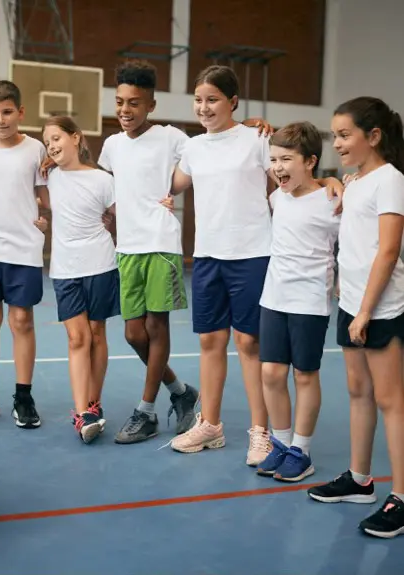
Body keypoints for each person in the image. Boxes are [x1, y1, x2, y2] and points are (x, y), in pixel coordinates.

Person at [169, 65, 343, 465]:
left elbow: (291, 175)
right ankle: (210, 424)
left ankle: (261, 432)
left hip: (252, 254)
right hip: (207, 255)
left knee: (249, 344)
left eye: (213, 100)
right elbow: (171, 184)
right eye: (198, 100)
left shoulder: (257, 139)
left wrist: (330, 182)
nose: (204, 107)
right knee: (210, 342)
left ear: (233, 102)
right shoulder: (193, 148)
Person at [98, 60, 271, 444]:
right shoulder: (125, 146)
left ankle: (151, 411)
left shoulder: (182, 138)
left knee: (220, 339)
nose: (125, 109)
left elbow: (232, 144)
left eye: (134, 103)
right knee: (141, 335)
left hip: (181, 245)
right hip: (148, 248)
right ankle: (187, 399)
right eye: (120, 102)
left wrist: (250, 123)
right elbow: (148, 184)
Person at [308, 97, 404, 539]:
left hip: (381, 307)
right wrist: (335, 182)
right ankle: (360, 480)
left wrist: (366, 309)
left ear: (374, 136)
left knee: (391, 400)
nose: (338, 143)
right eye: (335, 136)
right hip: (351, 302)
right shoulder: (358, 181)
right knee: (358, 391)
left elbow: (388, 249)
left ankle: (401, 497)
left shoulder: (391, 180)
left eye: (345, 135)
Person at [256, 122, 340, 482]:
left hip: (309, 300)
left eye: (286, 159)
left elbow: (351, 242)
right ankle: (281, 442)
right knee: (271, 373)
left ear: (310, 161)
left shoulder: (333, 201)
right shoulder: (277, 198)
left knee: (304, 374)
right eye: (274, 159)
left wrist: (336, 182)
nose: (278, 167)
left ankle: (301, 452)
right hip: (274, 297)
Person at [0, 80, 49, 428]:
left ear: (20, 112)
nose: (0, 119)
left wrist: (49, 218)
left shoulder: (36, 149)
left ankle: (23, 396)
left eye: (6, 112)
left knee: (21, 321)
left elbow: (46, 196)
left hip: (24, 247)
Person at [42, 115, 120, 443]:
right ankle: (82, 414)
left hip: (100, 263)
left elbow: (121, 214)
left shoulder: (102, 180)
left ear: (75, 137)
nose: (51, 146)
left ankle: (93, 405)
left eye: (56, 138)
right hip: (65, 268)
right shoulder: (48, 176)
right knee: (77, 338)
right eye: (47, 142)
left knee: (97, 334)